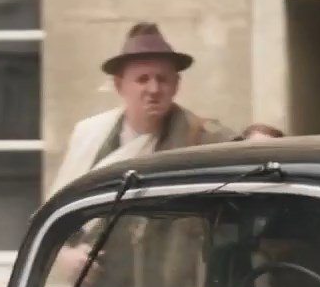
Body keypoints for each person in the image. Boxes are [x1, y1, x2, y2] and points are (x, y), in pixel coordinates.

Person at [51, 23, 234, 196]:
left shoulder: (202, 140)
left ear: (176, 84)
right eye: (142, 79)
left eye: (162, 79)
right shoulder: (89, 134)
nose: (154, 89)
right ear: (119, 85)